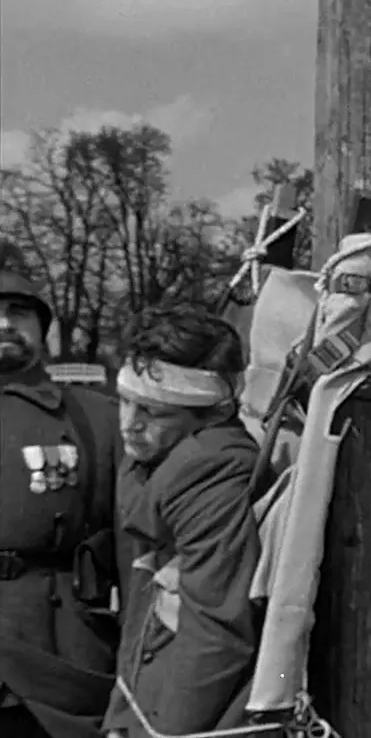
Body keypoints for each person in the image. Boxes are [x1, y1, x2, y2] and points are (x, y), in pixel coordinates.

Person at [103, 304, 268, 738]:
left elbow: (217, 631)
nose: (128, 426)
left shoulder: (214, 477)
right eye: (124, 402)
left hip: (180, 715)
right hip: (146, 687)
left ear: (212, 414)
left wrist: (163, 732)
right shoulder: (156, 459)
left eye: (154, 412)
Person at [0, 243, 119, 738]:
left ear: (42, 330)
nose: (4, 325)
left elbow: (138, 537)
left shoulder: (94, 416)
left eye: (18, 312)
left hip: (53, 645)